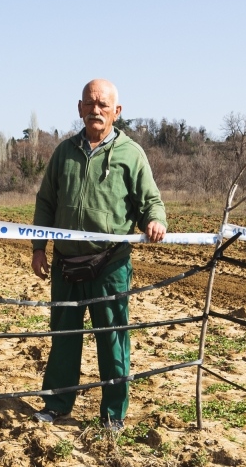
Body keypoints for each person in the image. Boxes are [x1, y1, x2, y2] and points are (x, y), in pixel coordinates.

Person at [29, 79, 166, 430]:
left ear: (116, 111)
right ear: (79, 109)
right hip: (66, 264)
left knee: (113, 338)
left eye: (103, 104)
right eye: (90, 103)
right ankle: (56, 405)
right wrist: (39, 248)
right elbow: (46, 202)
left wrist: (155, 221)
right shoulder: (63, 152)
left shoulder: (131, 154)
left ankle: (113, 415)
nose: (96, 110)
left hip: (110, 264)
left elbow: (150, 201)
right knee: (63, 338)